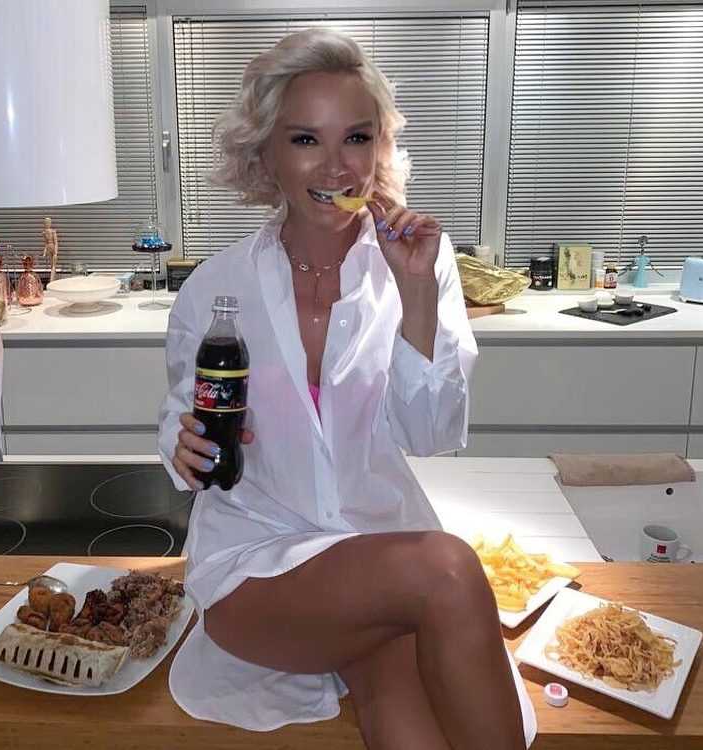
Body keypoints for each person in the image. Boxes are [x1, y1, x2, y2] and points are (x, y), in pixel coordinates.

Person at [158, 28, 537, 750]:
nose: (335, 165)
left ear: (379, 149)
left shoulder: (419, 264)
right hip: (259, 564)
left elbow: (431, 434)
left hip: (377, 558)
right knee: (449, 566)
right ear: (266, 155)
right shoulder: (214, 286)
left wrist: (415, 293)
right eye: (306, 139)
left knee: (404, 712)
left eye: (356, 138)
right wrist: (182, 445)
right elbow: (184, 420)